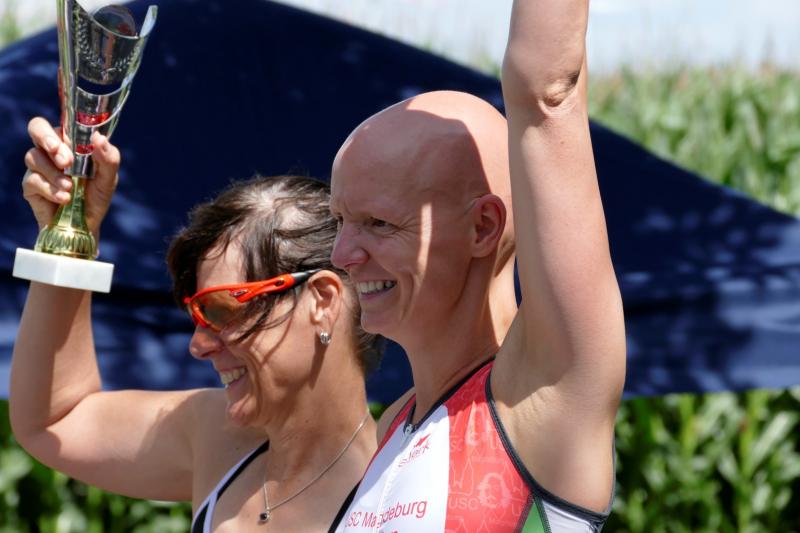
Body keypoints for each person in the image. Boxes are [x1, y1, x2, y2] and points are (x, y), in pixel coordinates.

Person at [329, 0, 625, 531]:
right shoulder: (394, 425)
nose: (341, 255)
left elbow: (546, 92)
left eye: (377, 223)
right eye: (340, 221)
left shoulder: (544, 393)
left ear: (483, 226)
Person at [11, 119, 382, 532]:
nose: (198, 344)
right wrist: (71, 230)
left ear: (322, 301)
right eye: (196, 315)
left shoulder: (404, 487)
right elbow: (56, 418)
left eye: (220, 309)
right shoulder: (219, 437)